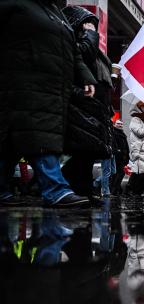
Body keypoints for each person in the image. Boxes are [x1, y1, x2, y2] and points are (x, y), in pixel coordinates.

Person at [0, 0, 97, 208]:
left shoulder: (55, 12)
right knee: (39, 135)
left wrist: (85, 76)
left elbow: (73, 50)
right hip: (23, 80)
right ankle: (55, 189)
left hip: (53, 86)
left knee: (14, 141)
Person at [62, 5, 114, 202]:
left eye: (93, 25)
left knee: (90, 153)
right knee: (83, 151)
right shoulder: (78, 43)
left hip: (97, 108)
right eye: (87, 24)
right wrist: (90, 34)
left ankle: (84, 191)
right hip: (82, 105)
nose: (92, 28)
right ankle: (75, 189)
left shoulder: (98, 53)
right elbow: (85, 54)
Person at [110, 119, 129, 196]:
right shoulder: (113, 133)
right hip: (117, 157)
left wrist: (127, 157)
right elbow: (113, 144)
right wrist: (117, 151)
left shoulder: (123, 134)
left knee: (117, 174)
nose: (120, 125)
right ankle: (114, 191)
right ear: (114, 125)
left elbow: (126, 147)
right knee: (119, 174)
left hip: (123, 158)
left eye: (121, 124)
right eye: (118, 124)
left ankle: (116, 190)